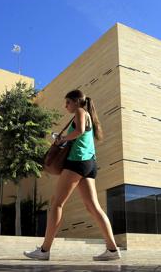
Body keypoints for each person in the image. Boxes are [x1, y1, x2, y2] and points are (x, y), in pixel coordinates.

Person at [24, 90, 120, 261]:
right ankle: (112, 250)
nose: (65, 106)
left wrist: (62, 140)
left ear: (76, 101)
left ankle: (44, 250)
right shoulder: (87, 113)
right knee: (93, 207)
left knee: (56, 204)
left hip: (77, 162)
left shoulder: (81, 111)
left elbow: (80, 131)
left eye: (67, 102)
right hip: (89, 164)